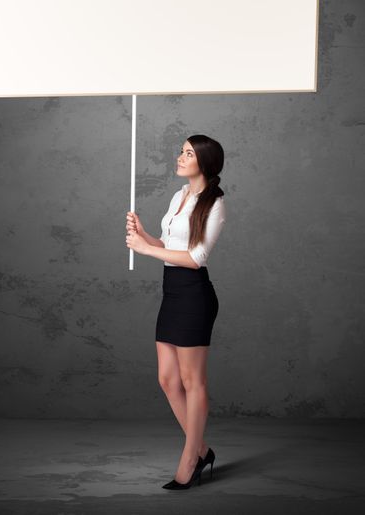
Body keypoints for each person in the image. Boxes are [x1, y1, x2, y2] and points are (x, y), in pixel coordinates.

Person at [126, 134, 226, 490]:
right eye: (181, 151)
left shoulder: (214, 204)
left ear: (204, 162)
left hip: (195, 297)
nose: (180, 157)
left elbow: (196, 259)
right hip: (172, 294)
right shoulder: (178, 196)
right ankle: (201, 449)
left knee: (192, 382)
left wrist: (146, 250)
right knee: (168, 380)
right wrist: (145, 236)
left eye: (188, 153)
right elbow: (170, 247)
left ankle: (190, 459)